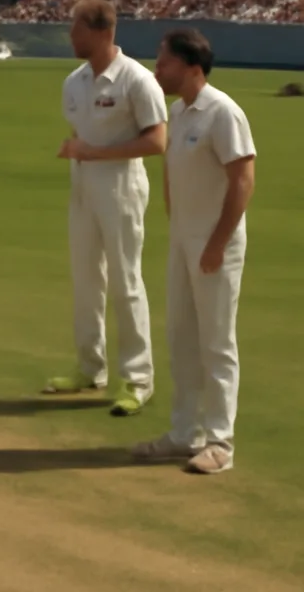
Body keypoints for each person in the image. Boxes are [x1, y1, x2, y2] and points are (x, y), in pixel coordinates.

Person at [133, 29, 256, 474]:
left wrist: (218, 242)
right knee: (182, 337)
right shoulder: (178, 112)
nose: (156, 69)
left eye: (164, 62)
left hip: (215, 243)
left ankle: (220, 442)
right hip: (185, 240)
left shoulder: (222, 112)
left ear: (191, 66)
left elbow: (243, 179)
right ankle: (185, 433)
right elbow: (172, 171)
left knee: (216, 342)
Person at [48, 0, 167, 416]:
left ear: (100, 32)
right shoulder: (74, 82)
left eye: (76, 28)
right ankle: (89, 367)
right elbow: (79, 132)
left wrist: (92, 153)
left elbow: (157, 141)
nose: (70, 35)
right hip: (82, 185)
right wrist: (79, 153)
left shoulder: (136, 80)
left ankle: (138, 379)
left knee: (124, 281)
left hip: (121, 185)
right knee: (85, 278)